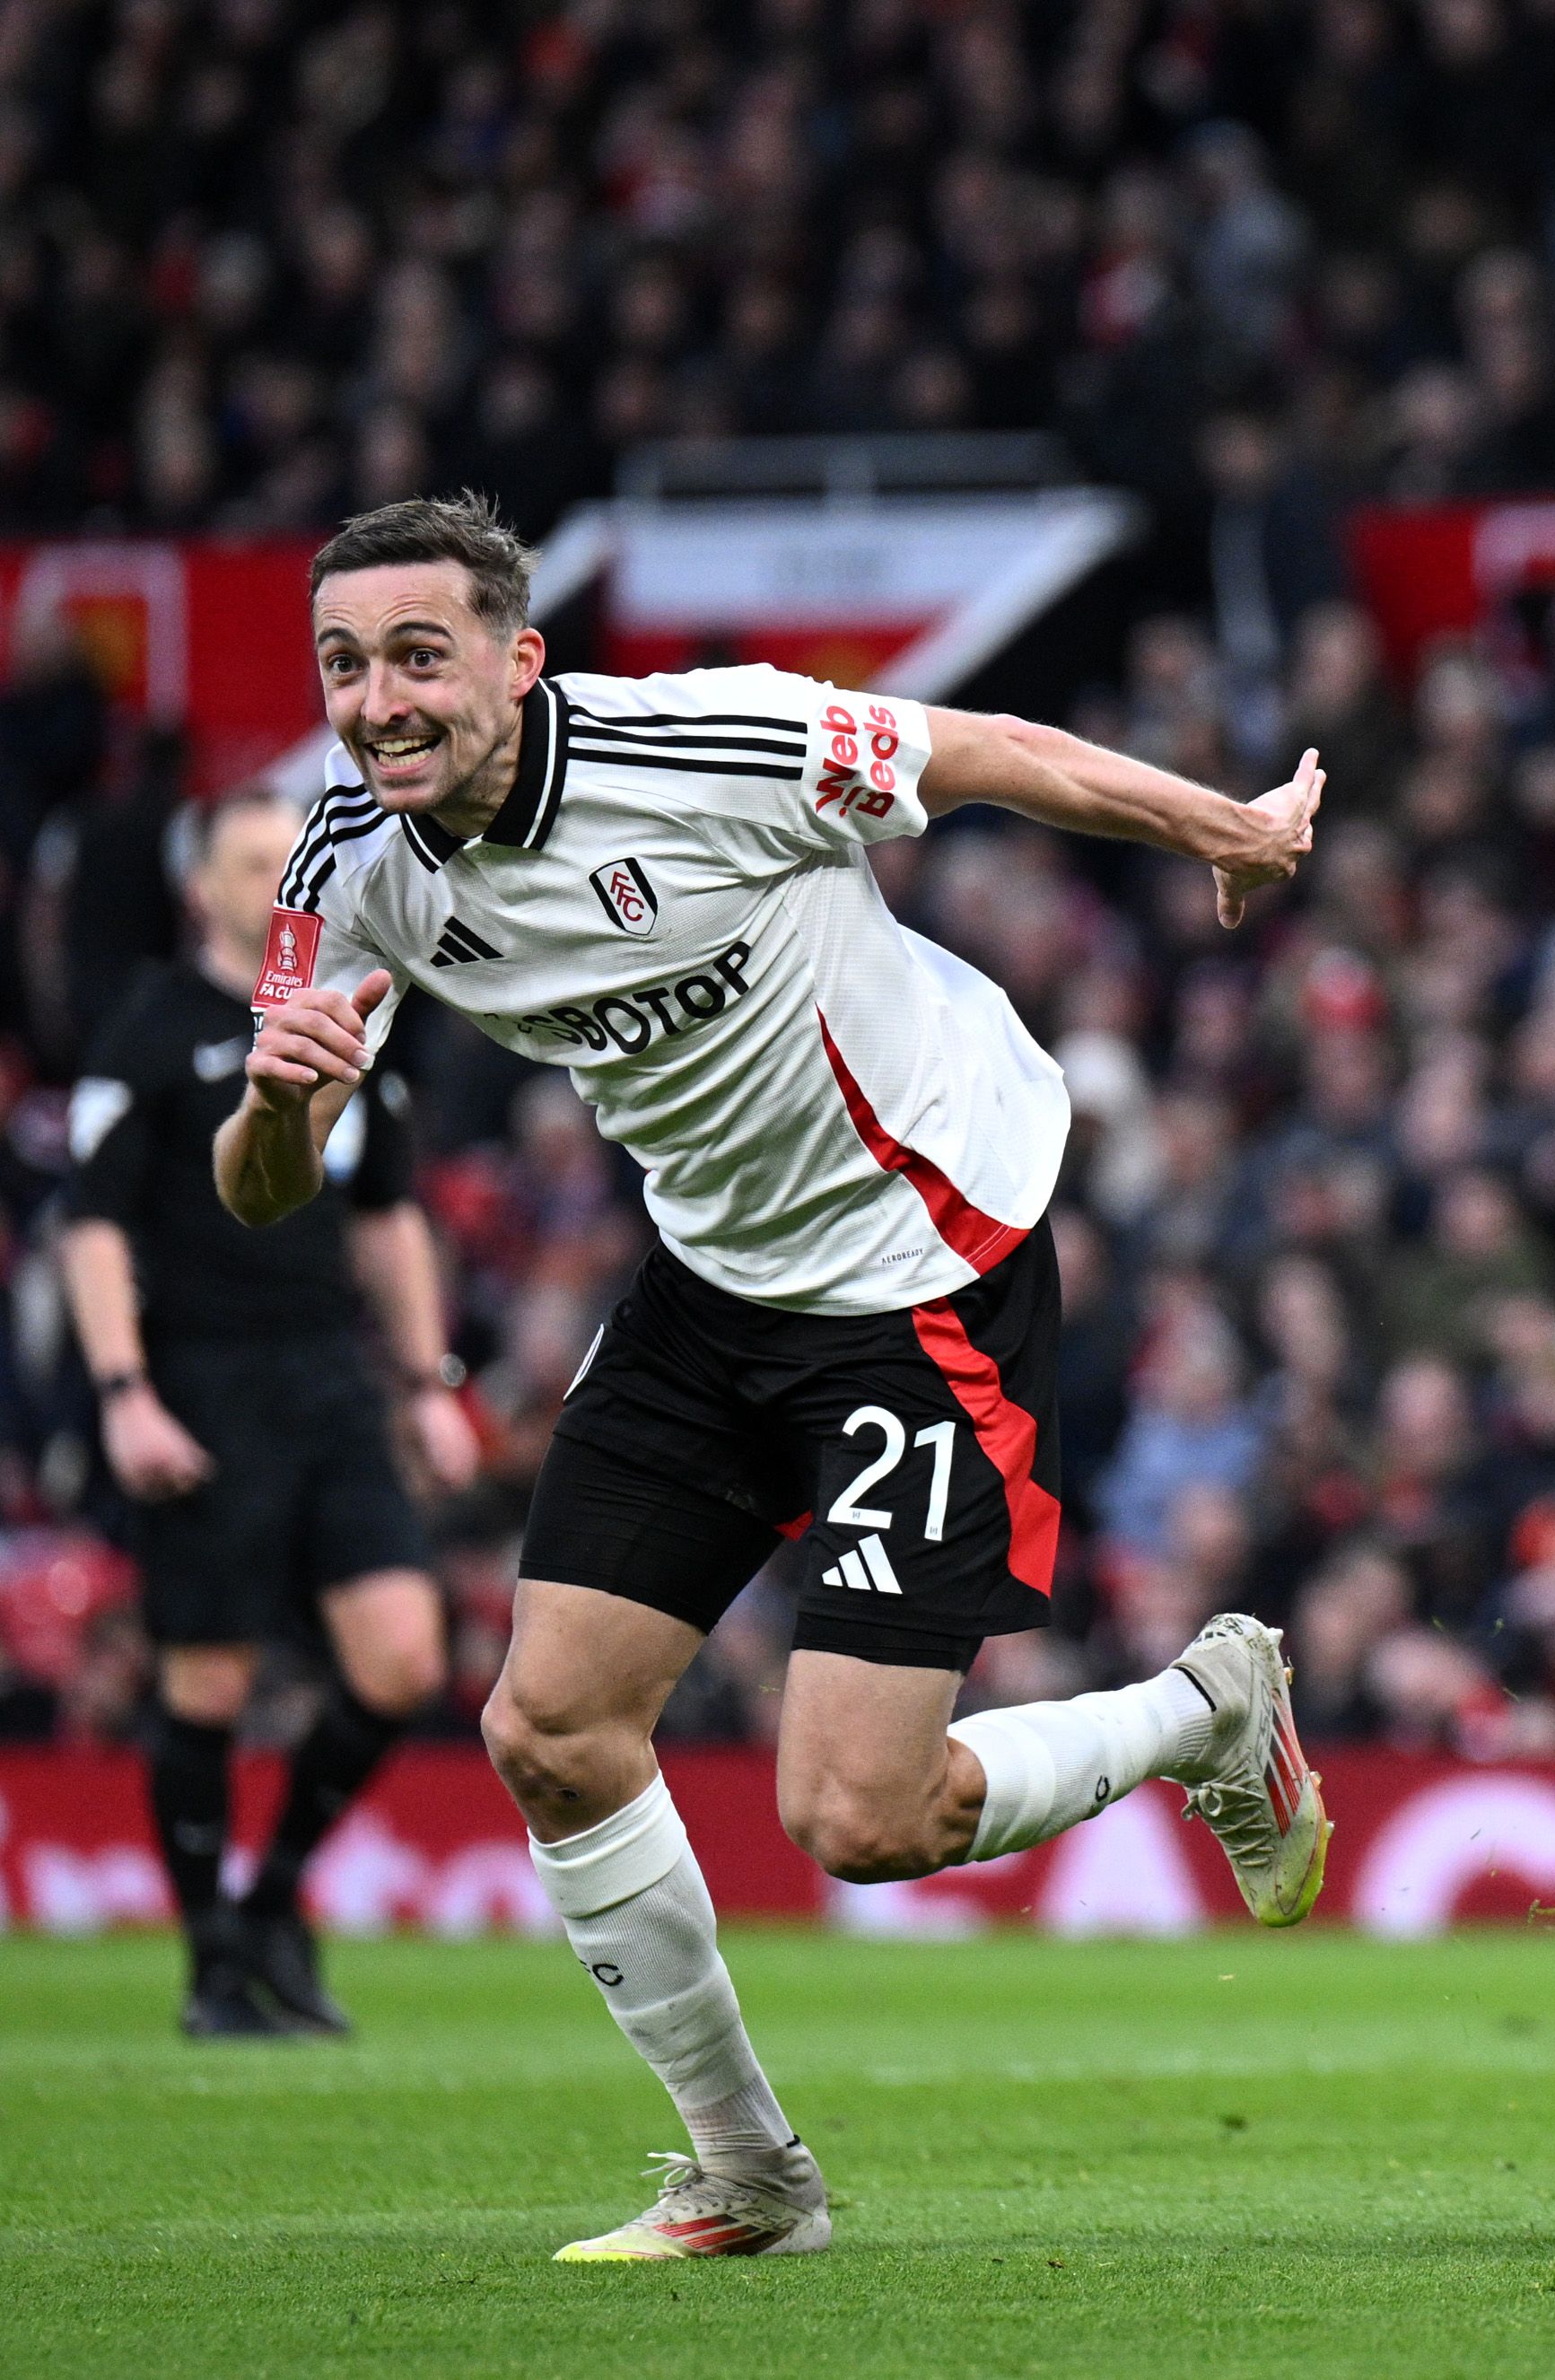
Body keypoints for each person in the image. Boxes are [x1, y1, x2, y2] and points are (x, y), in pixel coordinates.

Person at [225, 494, 1332, 2262]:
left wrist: (1224, 827)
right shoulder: (340, 867)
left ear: (520, 659)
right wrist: (280, 1102)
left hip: (923, 1258)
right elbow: (266, 1192)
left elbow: (975, 749)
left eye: (419, 657)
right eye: (345, 665)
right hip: (711, 1275)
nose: (376, 703)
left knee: (857, 1818)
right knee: (551, 1733)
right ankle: (748, 2176)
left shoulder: (709, 740)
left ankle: (1209, 1714)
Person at [61, 791, 472, 2038]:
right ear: (202, 887)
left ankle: (274, 1901)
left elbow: (388, 1213)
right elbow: (91, 1224)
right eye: (254, 858)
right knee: (210, 1681)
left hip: (329, 1376)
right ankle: (207, 1972)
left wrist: (426, 1380)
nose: (282, 876)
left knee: (404, 1657)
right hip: (203, 1378)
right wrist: (125, 1395)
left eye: (293, 855)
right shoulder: (149, 1029)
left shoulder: (348, 1011)